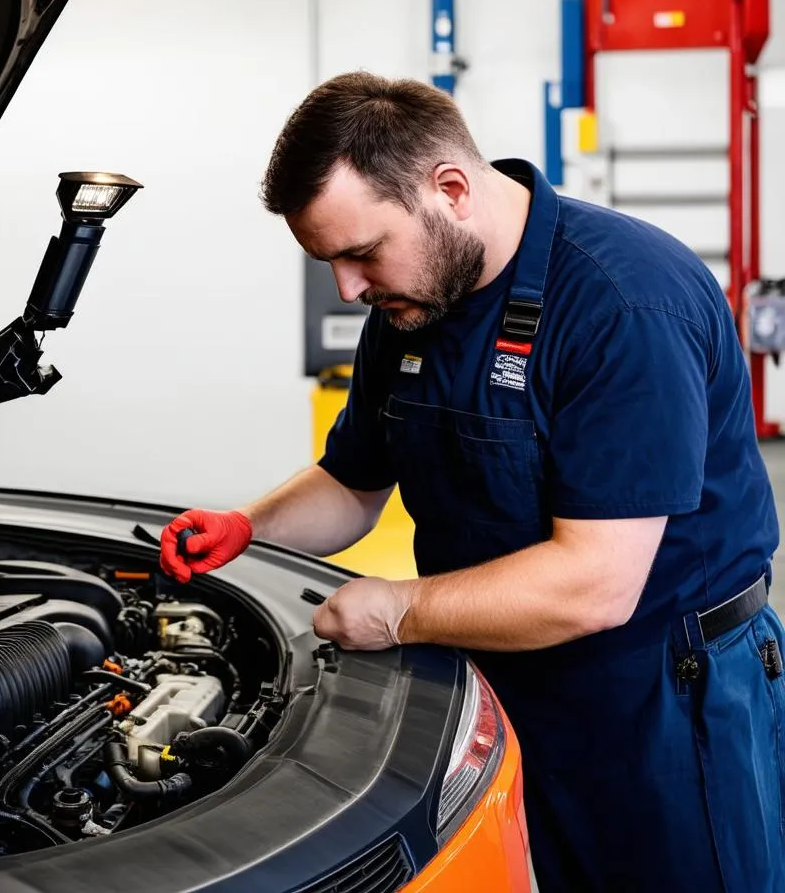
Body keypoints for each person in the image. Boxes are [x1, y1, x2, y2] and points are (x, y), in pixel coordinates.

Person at [157, 71, 784, 892]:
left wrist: (396, 610)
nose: (349, 288)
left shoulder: (625, 303)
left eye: (360, 253)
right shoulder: (410, 303)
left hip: (662, 698)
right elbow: (353, 484)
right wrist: (248, 528)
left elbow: (595, 585)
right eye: (331, 263)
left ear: (449, 190)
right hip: (502, 679)